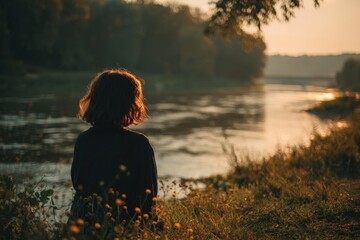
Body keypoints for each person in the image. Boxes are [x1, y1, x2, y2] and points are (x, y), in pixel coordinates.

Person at [70, 69, 157, 224]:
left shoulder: (84, 140)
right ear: (131, 103)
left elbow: (80, 187)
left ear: (94, 99)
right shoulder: (139, 144)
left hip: (83, 227)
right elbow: (148, 200)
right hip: (125, 227)